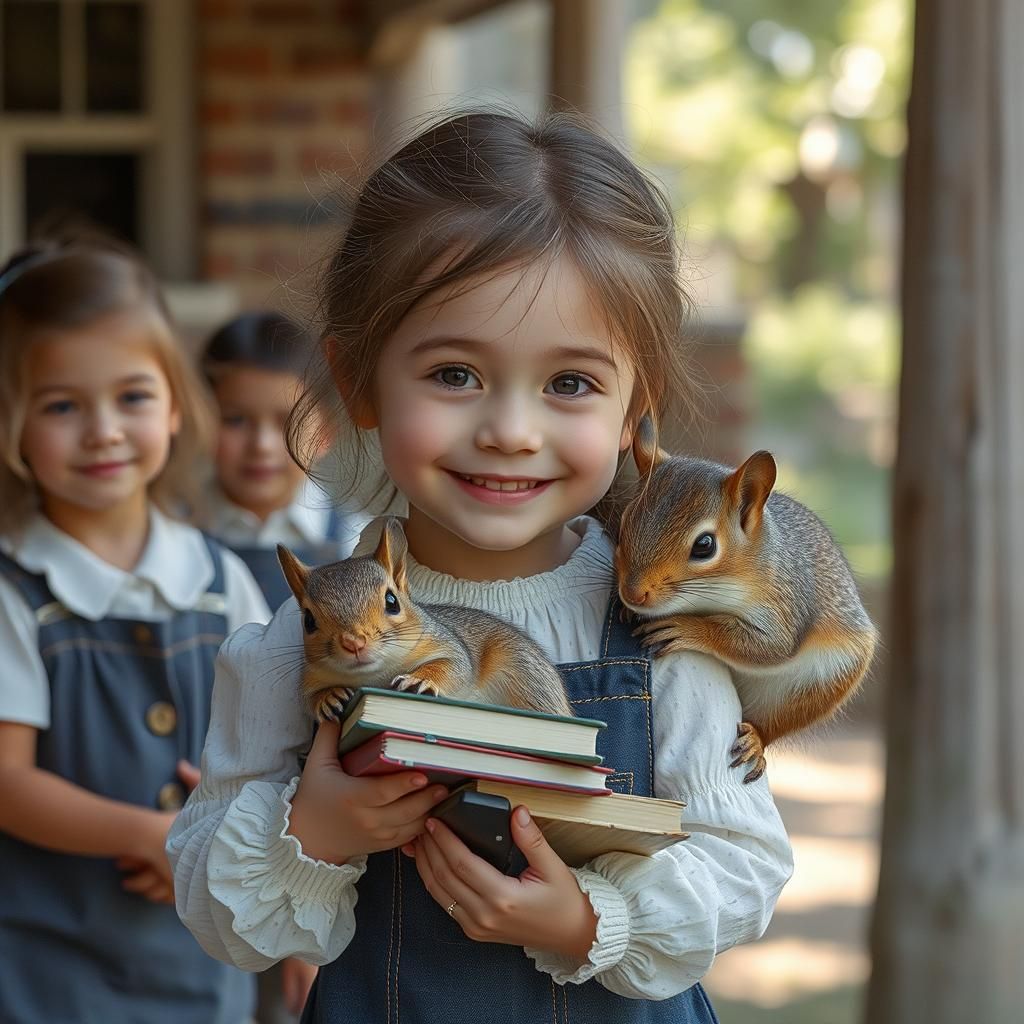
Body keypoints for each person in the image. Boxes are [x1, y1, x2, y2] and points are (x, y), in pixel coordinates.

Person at [168, 110, 794, 1023]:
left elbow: (745, 861)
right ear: (358, 383)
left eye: (569, 383)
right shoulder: (290, 653)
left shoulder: (663, 640)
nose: (509, 428)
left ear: (634, 411)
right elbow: (219, 910)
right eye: (455, 373)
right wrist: (315, 832)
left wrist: (591, 921)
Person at [0, 237, 270, 1024]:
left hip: (202, 965)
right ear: (11, 420)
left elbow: (277, 749)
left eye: (133, 397)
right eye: (61, 406)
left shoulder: (223, 583)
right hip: (42, 968)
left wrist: (221, 835)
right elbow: (8, 781)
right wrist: (158, 835)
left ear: (178, 404)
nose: (104, 431)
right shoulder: (17, 590)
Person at [200, 311, 368, 614]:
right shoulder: (173, 534)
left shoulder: (359, 543)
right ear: (200, 424)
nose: (261, 445)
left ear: (325, 433)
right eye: (235, 420)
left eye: (287, 422)